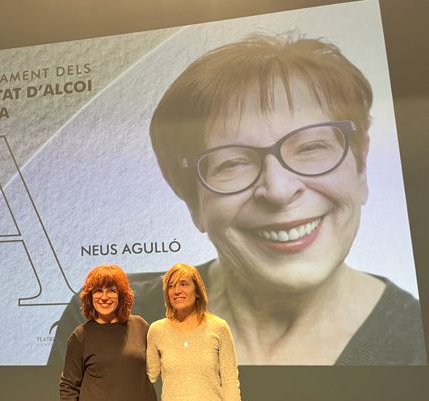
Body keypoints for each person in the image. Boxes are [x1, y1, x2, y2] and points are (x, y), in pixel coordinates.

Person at [50, 34, 426, 366]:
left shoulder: (416, 340)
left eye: (312, 148)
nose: (279, 191)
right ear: (193, 201)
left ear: (360, 165)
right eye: (232, 163)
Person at [59, 264, 158, 401]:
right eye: (98, 291)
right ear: (90, 297)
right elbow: (68, 386)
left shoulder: (140, 326)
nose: (104, 297)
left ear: (122, 296)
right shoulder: (81, 336)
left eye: (111, 290)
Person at [147, 263, 242, 401]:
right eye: (171, 286)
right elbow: (149, 376)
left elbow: (231, 382)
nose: (177, 291)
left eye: (184, 284)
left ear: (197, 291)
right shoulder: (157, 330)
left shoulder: (218, 327)